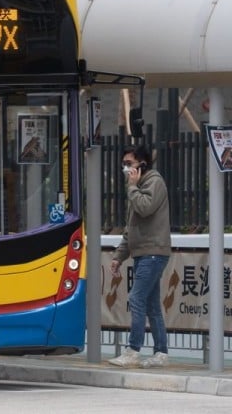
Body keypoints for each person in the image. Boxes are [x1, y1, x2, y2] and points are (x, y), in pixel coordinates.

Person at [107, 144, 172, 369]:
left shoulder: (154, 182)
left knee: (136, 298)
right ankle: (161, 353)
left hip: (153, 252)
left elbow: (145, 208)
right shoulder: (138, 187)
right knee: (152, 305)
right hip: (144, 253)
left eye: (130, 164)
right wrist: (119, 256)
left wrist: (133, 188)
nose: (126, 169)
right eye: (124, 164)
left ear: (142, 164)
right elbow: (131, 227)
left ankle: (133, 350)